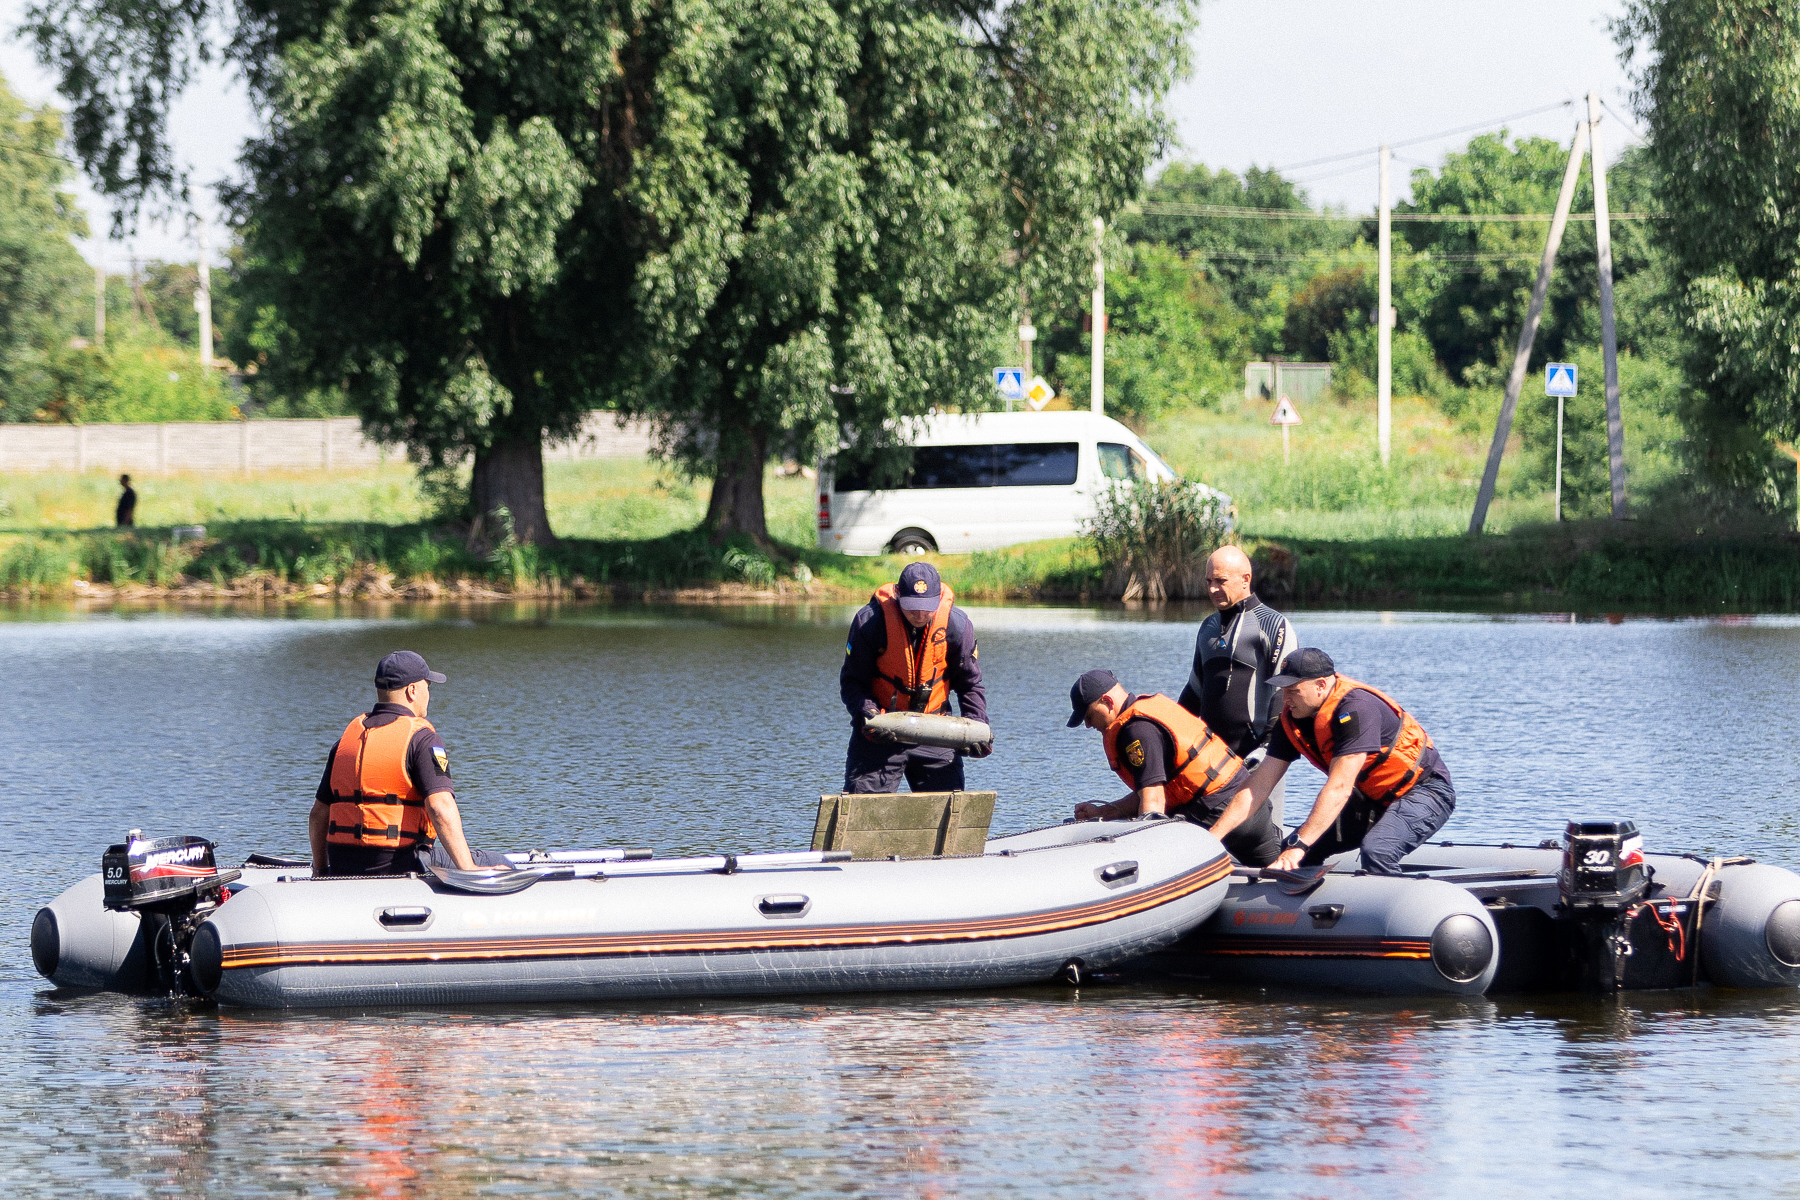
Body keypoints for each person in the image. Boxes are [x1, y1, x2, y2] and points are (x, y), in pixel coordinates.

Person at [1242, 648, 1455, 876]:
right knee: (1295, 853)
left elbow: (1340, 788)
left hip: (1425, 791)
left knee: (1378, 851)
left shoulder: (1356, 708)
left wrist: (1299, 844)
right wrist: (1213, 838)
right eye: (1283, 691)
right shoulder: (1293, 718)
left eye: (1293, 691)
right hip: (1371, 797)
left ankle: (1397, 906)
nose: (1285, 699)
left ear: (1321, 686)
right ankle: (1307, 905)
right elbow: (1259, 785)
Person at [308, 650, 501, 876]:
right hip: (400, 862)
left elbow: (318, 815)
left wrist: (321, 870)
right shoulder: (422, 739)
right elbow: (440, 808)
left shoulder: (344, 743)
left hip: (343, 864)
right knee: (498, 861)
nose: (429, 693)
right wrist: (468, 869)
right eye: (428, 686)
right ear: (412, 691)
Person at [1066, 669, 1281, 866]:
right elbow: (1158, 790)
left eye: (1089, 716)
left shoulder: (1136, 731)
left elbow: (1154, 804)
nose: (1088, 725)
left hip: (1218, 813)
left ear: (1107, 701)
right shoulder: (1144, 715)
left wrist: (1142, 863)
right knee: (1278, 867)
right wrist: (1103, 813)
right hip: (1249, 807)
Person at [839, 562, 991, 793]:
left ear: (939, 597)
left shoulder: (957, 626)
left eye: (927, 607)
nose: (919, 614)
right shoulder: (870, 622)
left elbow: (970, 684)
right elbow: (852, 682)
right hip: (881, 733)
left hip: (936, 731)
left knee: (948, 814)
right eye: (911, 607)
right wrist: (868, 715)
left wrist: (977, 725)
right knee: (864, 820)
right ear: (898, 595)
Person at [1177, 545, 1298, 761]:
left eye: (1220, 581)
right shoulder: (1208, 627)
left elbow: (1284, 692)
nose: (1213, 589)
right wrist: (1171, 733)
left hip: (1257, 757)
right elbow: (1194, 691)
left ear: (1245, 579)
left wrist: (1268, 748)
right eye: (1209, 582)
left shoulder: (1273, 625)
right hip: (1210, 759)